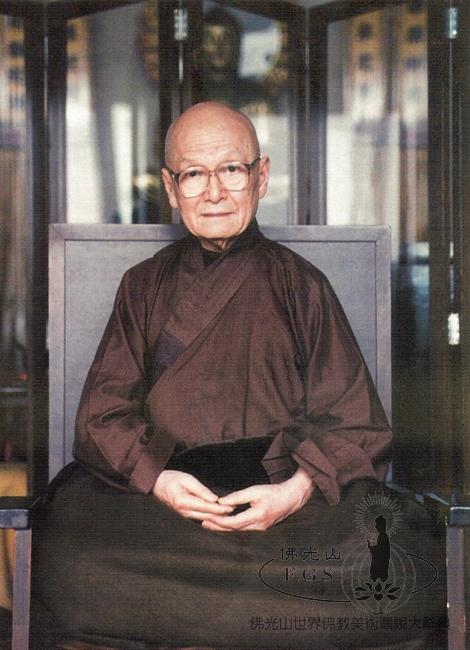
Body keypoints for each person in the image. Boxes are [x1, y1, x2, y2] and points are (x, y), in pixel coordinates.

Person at [33, 102, 445, 650]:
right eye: (193, 174)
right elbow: (102, 417)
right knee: (70, 548)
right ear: (170, 187)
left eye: (231, 170)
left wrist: (293, 493)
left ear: (261, 177)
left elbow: (356, 423)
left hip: (282, 504)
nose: (214, 193)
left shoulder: (302, 285)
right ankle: (260, 616)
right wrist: (160, 481)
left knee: (396, 554)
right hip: (169, 505)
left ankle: (191, 614)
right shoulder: (143, 285)